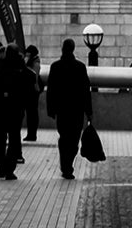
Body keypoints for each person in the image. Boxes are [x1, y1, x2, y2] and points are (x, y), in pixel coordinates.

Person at [45, 37, 93, 180]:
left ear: (62, 49)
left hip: (62, 110)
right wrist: (89, 112)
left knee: (64, 137)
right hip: (76, 110)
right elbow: (86, 91)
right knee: (73, 140)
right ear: (73, 49)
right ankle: (68, 166)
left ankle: (64, 165)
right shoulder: (80, 67)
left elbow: (51, 90)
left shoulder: (55, 67)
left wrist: (51, 109)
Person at [0, 44, 30, 179]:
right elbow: (27, 86)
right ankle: (9, 169)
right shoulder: (20, 68)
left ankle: (1, 168)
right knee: (14, 139)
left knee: (0, 140)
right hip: (16, 109)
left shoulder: (0, 67)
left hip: (1, 109)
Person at [23, 44, 42, 141]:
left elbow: (34, 76)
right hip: (30, 90)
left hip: (33, 91)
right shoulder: (32, 62)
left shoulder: (35, 63)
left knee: (32, 113)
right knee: (30, 113)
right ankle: (30, 134)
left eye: (28, 54)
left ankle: (32, 134)